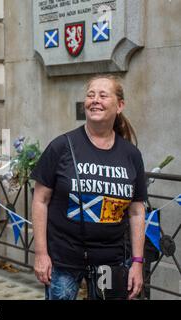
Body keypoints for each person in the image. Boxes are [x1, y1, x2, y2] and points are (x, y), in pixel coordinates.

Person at [30, 75, 147, 300]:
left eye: (103, 95)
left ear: (120, 105)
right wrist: (41, 254)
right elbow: (40, 200)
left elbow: (136, 211)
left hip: (110, 261)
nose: (95, 100)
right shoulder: (61, 146)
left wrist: (137, 263)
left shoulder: (131, 155)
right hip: (63, 260)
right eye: (90, 95)